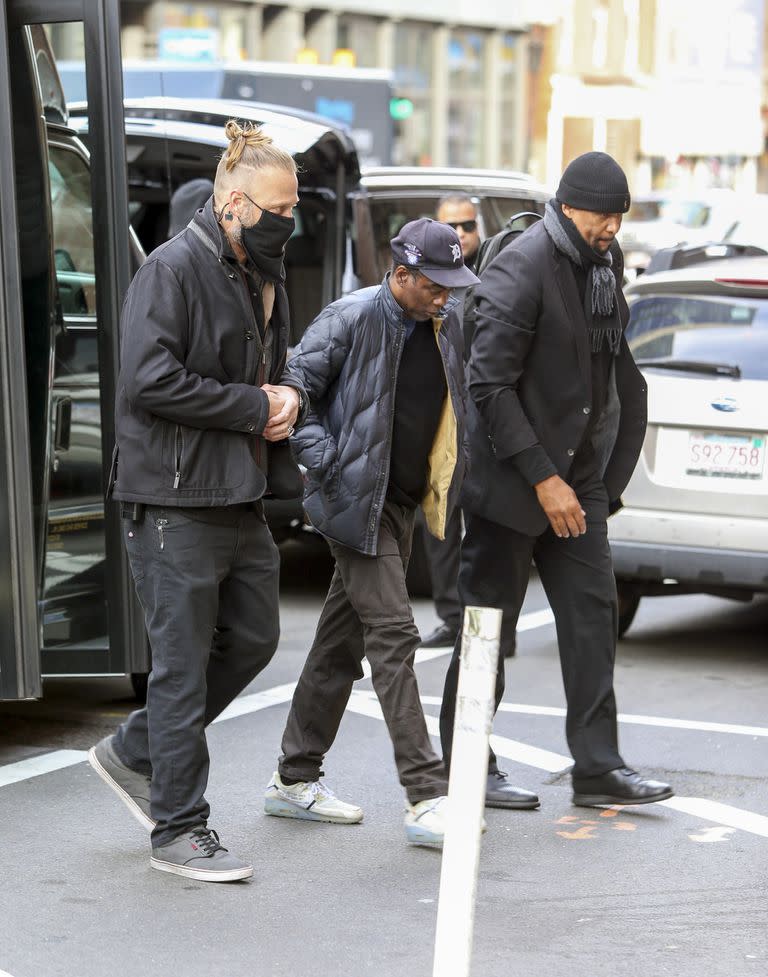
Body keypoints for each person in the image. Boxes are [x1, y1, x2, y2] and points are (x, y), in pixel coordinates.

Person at [88, 120, 307, 882]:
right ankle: (179, 828)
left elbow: (271, 370)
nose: (291, 219)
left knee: (253, 636)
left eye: (295, 204)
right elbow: (147, 380)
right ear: (235, 202)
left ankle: (139, 750)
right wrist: (254, 405)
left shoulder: (259, 271)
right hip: (173, 499)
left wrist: (287, 399)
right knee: (180, 669)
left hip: (236, 492)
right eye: (280, 207)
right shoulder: (174, 269)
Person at [440, 152, 675, 810]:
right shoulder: (524, 265)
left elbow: (609, 369)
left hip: (579, 478)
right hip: (513, 483)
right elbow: (489, 383)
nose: (612, 228)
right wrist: (543, 477)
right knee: (488, 629)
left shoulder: (604, 264)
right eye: (603, 215)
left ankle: (597, 768)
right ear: (569, 207)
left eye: (620, 218)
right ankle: (468, 764)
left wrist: (601, 478)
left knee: (591, 617)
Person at [262, 218, 476, 848]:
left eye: (452, 284)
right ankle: (425, 794)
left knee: (340, 640)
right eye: (434, 284)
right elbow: (291, 390)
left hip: (403, 504)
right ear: (401, 274)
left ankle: (293, 779)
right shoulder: (351, 316)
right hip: (355, 503)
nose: (445, 295)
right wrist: (326, 461)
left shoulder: (447, 324)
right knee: (394, 634)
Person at [418, 194, 480, 651]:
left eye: (467, 224)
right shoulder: (423, 284)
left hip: (482, 424)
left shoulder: (495, 277)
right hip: (439, 424)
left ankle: (484, 622)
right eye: (450, 226)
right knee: (439, 524)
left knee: (482, 530)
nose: (459, 234)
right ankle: (451, 617)